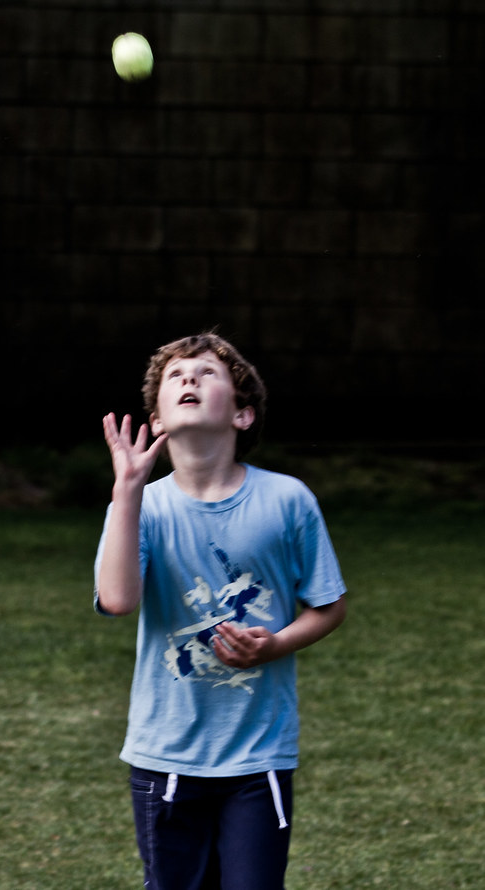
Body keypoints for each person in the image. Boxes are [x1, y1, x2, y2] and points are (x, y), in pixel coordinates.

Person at [94, 332, 347, 890]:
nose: (189, 379)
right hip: (166, 754)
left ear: (242, 414)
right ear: (157, 420)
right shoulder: (143, 506)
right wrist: (127, 492)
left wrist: (276, 644)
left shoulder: (288, 500)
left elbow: (329, 607)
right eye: (175, 377)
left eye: (207, 374)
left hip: (258, 757)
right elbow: (117, 600)